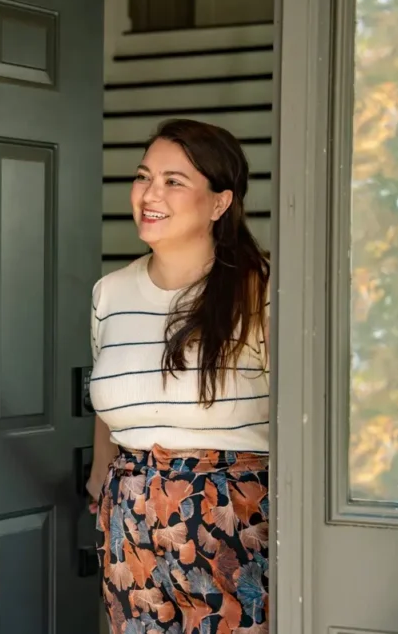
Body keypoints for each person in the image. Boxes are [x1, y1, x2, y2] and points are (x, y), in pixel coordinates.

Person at [85, 119, 271, 633]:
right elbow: (111, 403)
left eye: (174, 181)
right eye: (144, 177)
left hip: (234, 521)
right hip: (132, 520)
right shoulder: (110, 294)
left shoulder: (261, 292)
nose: (150, 193)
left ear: (219, 203)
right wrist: (101, 481)